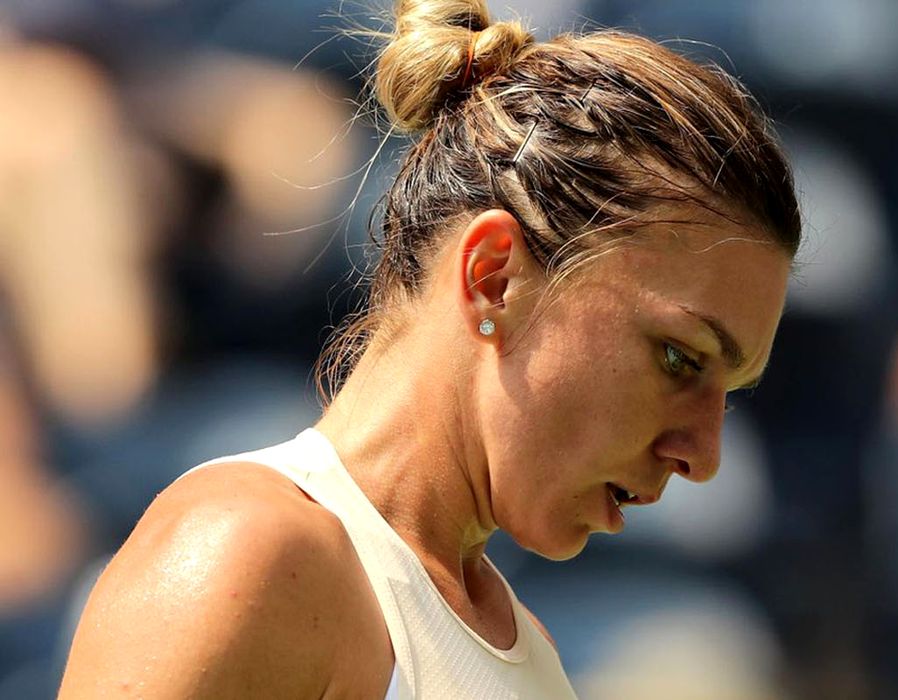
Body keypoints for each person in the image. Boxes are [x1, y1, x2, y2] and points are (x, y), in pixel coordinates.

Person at [57, 0, 802, 697]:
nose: (703, 455)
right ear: (494, 278)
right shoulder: (247, 554)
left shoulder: (523, 645)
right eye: (679, 358)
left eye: (729, 389)